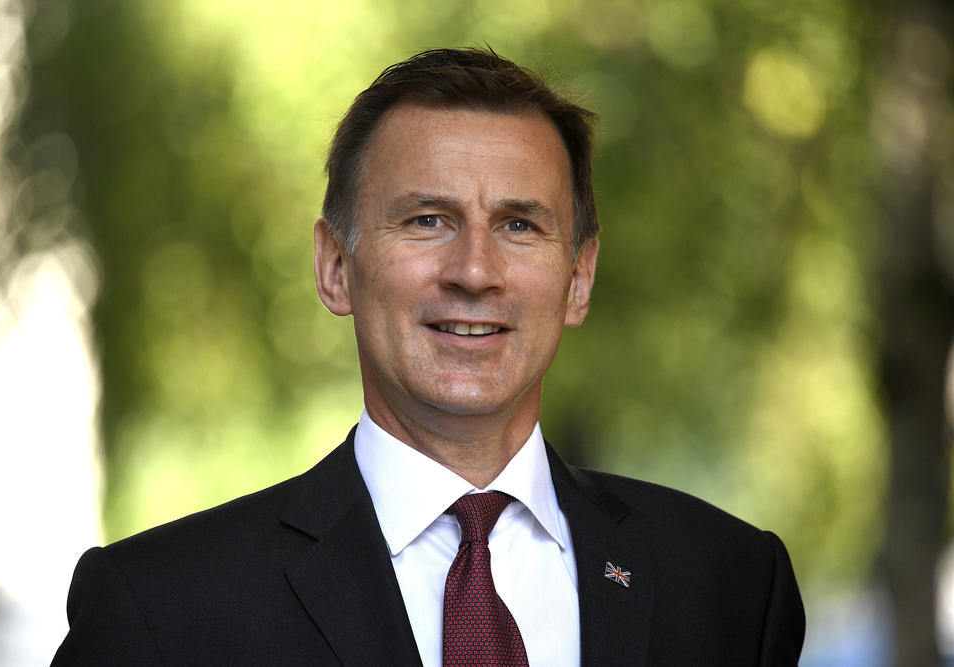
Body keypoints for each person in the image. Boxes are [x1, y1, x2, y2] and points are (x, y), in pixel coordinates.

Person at [53, 47, 805, 666]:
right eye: (427, 219)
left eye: (518, 225)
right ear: (335, 267)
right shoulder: (163, 611)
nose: (474, 270)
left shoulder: (728, 586)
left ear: (578, 279)